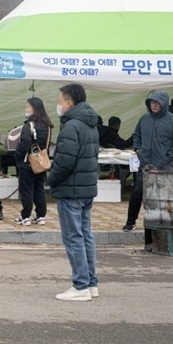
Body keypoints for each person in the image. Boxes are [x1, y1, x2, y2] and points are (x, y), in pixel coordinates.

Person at [47, 83, 99, 301]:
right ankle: (91, 283)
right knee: (86, 235)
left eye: (60, 100)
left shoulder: (71, 127)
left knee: (74, 237)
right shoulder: (90, 124)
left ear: (69, 102)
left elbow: (64, 161)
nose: (58, 105)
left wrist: (51, 180)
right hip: (86, 188)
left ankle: (80, 286)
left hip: (71, 190)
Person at [124, 91, 173, 248]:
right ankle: (130, 222)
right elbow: (136, 135)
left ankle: (156, 234)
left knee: (157, 200)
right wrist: (138, 149)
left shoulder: (172, 121)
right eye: (151, 102)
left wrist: (167, 158)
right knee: (138, 192)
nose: (153, 105)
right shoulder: (144, 118)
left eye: (157, 102)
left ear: (163, 104)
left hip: (164, 168)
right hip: (144, 164)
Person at [13, 97, 53, 226]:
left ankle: (25, 216)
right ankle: (41, 215)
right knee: (39, 189)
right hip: (41, 163)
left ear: (34, 109)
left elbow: (24, 144)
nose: (26, 109)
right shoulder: (48, 126)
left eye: (28, 107)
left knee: (26, 190)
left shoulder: (28, 125)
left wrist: (17, 156)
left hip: (27, 163)